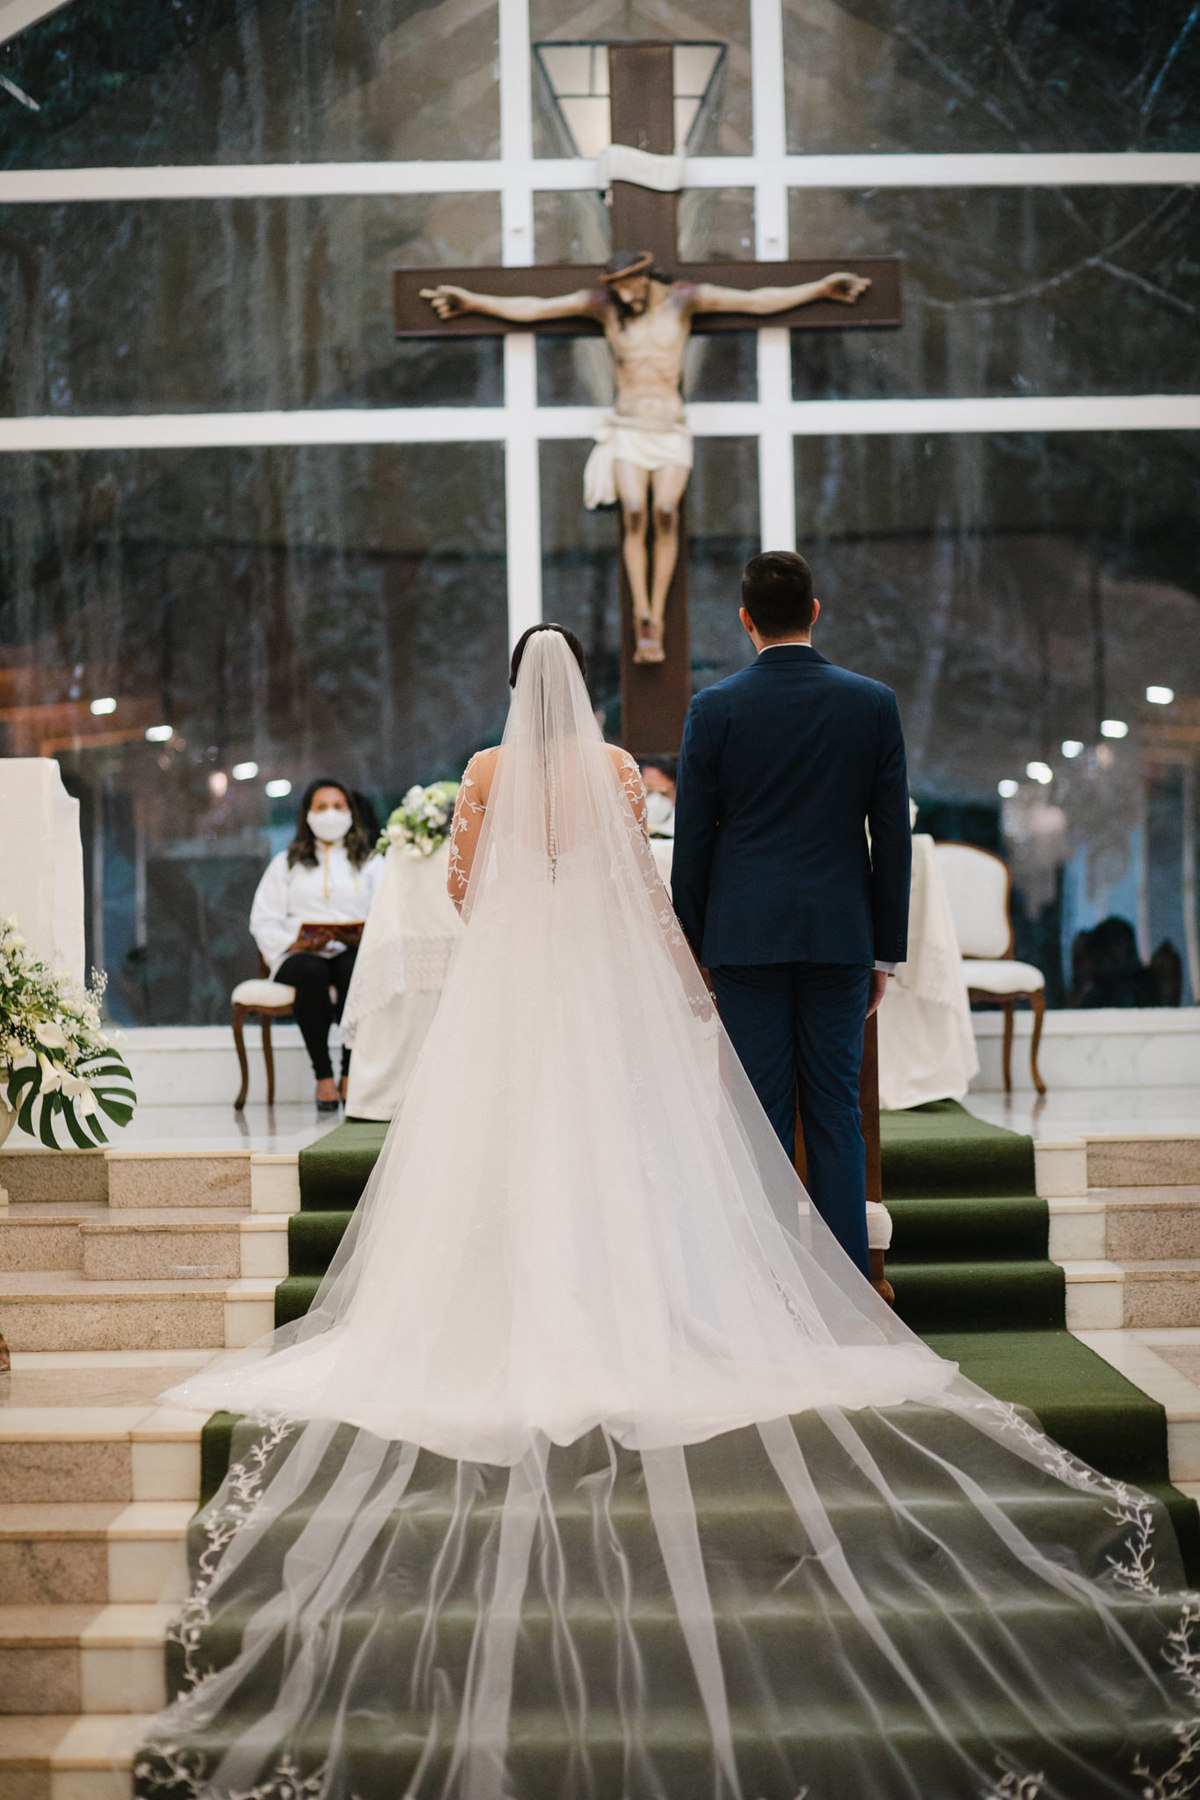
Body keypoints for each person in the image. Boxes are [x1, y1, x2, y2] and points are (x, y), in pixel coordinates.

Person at [146, 628, 1198, 1800]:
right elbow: (645, 886)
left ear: (508, 688)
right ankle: (629, 1303)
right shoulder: (605, 768)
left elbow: (457, 885)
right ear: (586, 687)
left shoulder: (488, 775)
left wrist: (514, 918)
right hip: (598, 1000)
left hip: (514, 995)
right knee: (616, 1149)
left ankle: (499, 1312)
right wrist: (679, 975)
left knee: (500, 1150)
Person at [422, 251, 871, 662]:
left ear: (644, 276)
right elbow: (535, 307)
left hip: (670, 429)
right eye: (614, 286)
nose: (621, 294)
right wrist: (473, 302)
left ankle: (655, 609)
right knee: (635, 511)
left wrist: (820, 289)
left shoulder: (683, 301)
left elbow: (756, 300)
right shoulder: (604, 307)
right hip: (630, 428)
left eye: (626, 285)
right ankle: (645, 615)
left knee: (664, 512)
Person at [671, 551, 911, 1279]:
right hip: (840, 934)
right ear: (815, 610)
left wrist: (695, 947)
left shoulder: (714, 707)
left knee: (762, 1122)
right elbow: (890, 839)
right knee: (836, 1116)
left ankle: (775, 1295)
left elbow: (694, 841)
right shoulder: (871, 702)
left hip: (744, 938)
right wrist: (884, 953)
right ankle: (846, 1289)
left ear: (745, 620)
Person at [249, 779, 383, 1110]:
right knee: (311, 971)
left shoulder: (369, 861)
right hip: (299, 954)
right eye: (321, 807)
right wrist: (295, 942)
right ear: (307, 815)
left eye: (338, 807)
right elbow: (263, 919)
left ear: (351, 813)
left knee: (354, 968)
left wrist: (356, 934)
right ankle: (323, 1076)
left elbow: (385, 912)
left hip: (353, 950)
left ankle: (350, 1073)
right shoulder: (286, 863)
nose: (330, 815)